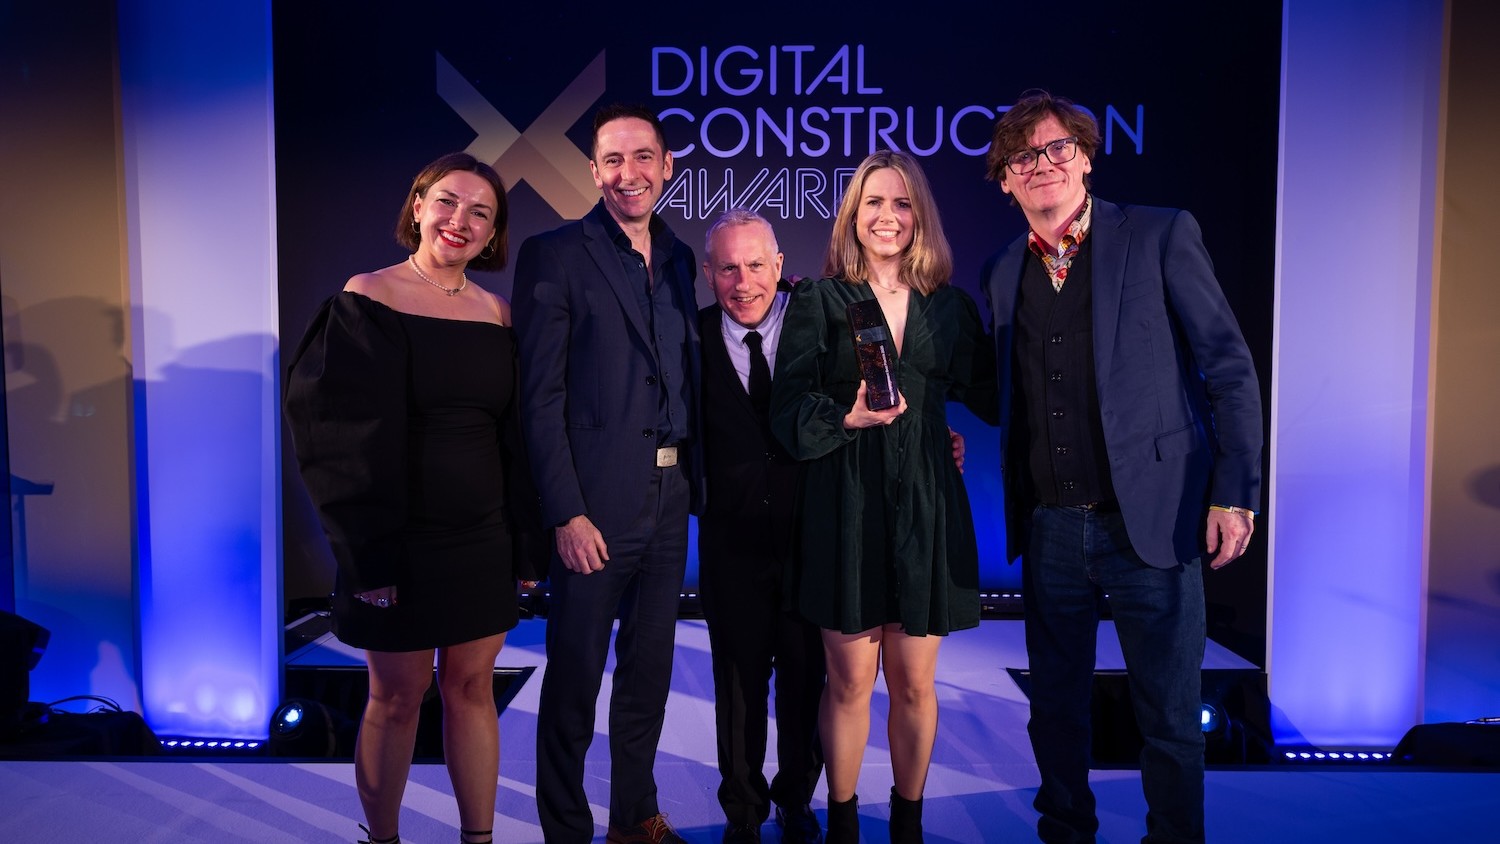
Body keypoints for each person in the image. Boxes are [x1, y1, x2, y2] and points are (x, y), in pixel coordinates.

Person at [980, 90, 1263, 844]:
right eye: (1022, 157)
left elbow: (1228, 367)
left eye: (1057, 148)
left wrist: (1235, 493)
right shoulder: (1002, 270)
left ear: (1085, 157)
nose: (1042, 165)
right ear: (1005, 181)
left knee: (1168, 714)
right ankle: (1065, 832)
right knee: (1055, 711)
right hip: (1049, 527)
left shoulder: (1161, 234)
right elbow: (1006, 393)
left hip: (1156, 518)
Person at [284, 152, 545, 844]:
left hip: (483, 539)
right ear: (419, 205)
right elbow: (338, 440)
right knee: (397, 697)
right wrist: (367, 558)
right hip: (396, 543)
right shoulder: (367, 296)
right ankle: (384, 840)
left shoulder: (498, 313)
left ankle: (478, 839)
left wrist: (525, 543)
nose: (461, 221)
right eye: (448, 202)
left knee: (473, 690)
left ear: (494, 234)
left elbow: (515, 441)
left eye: (481, 213)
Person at [769, 150, 998, 844]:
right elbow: (787, 408)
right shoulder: (820, 300)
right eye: (873, 202)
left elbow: (992, 394)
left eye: (902, 203)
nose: (888, 217)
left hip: (927, 505)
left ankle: (907, 824)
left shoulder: (950, 306)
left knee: (915, 686)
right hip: (845, 503)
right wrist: (847, 416)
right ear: (852, 215)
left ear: (920, 216)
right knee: (847, 684)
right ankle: (842, 823)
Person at [511, 103, 703, 844]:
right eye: (613, 160)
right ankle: (566, 829)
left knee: (648, 676)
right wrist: (565, 511)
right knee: (574, 681)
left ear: (667, 166)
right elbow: (540, 398)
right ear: (593, 172)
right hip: (592, 507)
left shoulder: (680, 258)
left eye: (643, 157)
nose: (630, 173)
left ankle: (634, 817)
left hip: (669, 501)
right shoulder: (555, 254)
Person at [697, 209, 826, 844]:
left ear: (779, 265)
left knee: (806, 678)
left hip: (810, 539)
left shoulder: (818, 327)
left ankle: (796, 798)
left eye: (755, 265)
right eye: (728, 268)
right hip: (731, 544)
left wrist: (937, 439)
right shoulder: (690, 339)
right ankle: (742, 811)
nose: (743, 282)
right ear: (708, 273)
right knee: (738, 683)